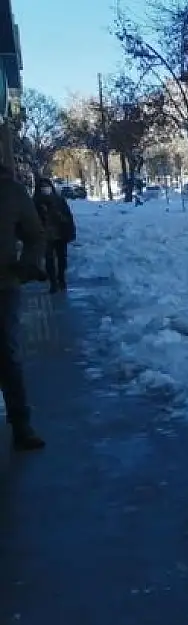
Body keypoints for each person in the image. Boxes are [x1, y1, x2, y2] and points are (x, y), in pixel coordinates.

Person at [0, 163, 47, 450]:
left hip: (3, 287)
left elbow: (35, 235)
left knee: (7, 356)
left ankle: (21, 423)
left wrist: (28, 265)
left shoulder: (10, 190)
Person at [31, 178, 77, 293]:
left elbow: (67, 217)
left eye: (47, 186)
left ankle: (61, 278)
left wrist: (68, 229)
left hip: (60, 234)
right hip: (45, 234)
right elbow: (32, 219)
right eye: (42, 187)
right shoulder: (36, 202)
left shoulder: (59, 200)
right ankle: (53, 282)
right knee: (49, 259)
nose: (45, 189)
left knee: (62, 258)